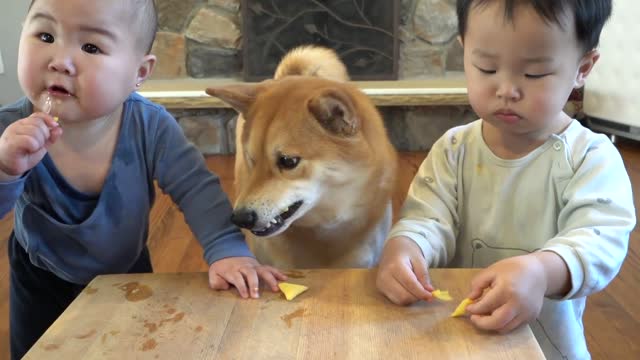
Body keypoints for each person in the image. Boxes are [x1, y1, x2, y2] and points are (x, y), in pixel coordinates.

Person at [0, 0, 286, 358]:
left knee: (130, 346)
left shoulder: (150, 126)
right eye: (45, 35)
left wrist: (227, 251)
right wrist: (6, 170)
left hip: (127, 270)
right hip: (40, 274)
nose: (59, 60)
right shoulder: (8, 130)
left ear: (139, 73)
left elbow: (195, 188)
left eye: (90, 47)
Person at [376, 0, 635, 359]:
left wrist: (542, 272)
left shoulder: (589, 158)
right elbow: (426, 218)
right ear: (464, 53)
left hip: (545, 348)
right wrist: (405, 249)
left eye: (534, 74)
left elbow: (599, 240)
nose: (507, 89)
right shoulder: (453, 149)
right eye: (486, 67)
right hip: (455, 340)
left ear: (582, 68)